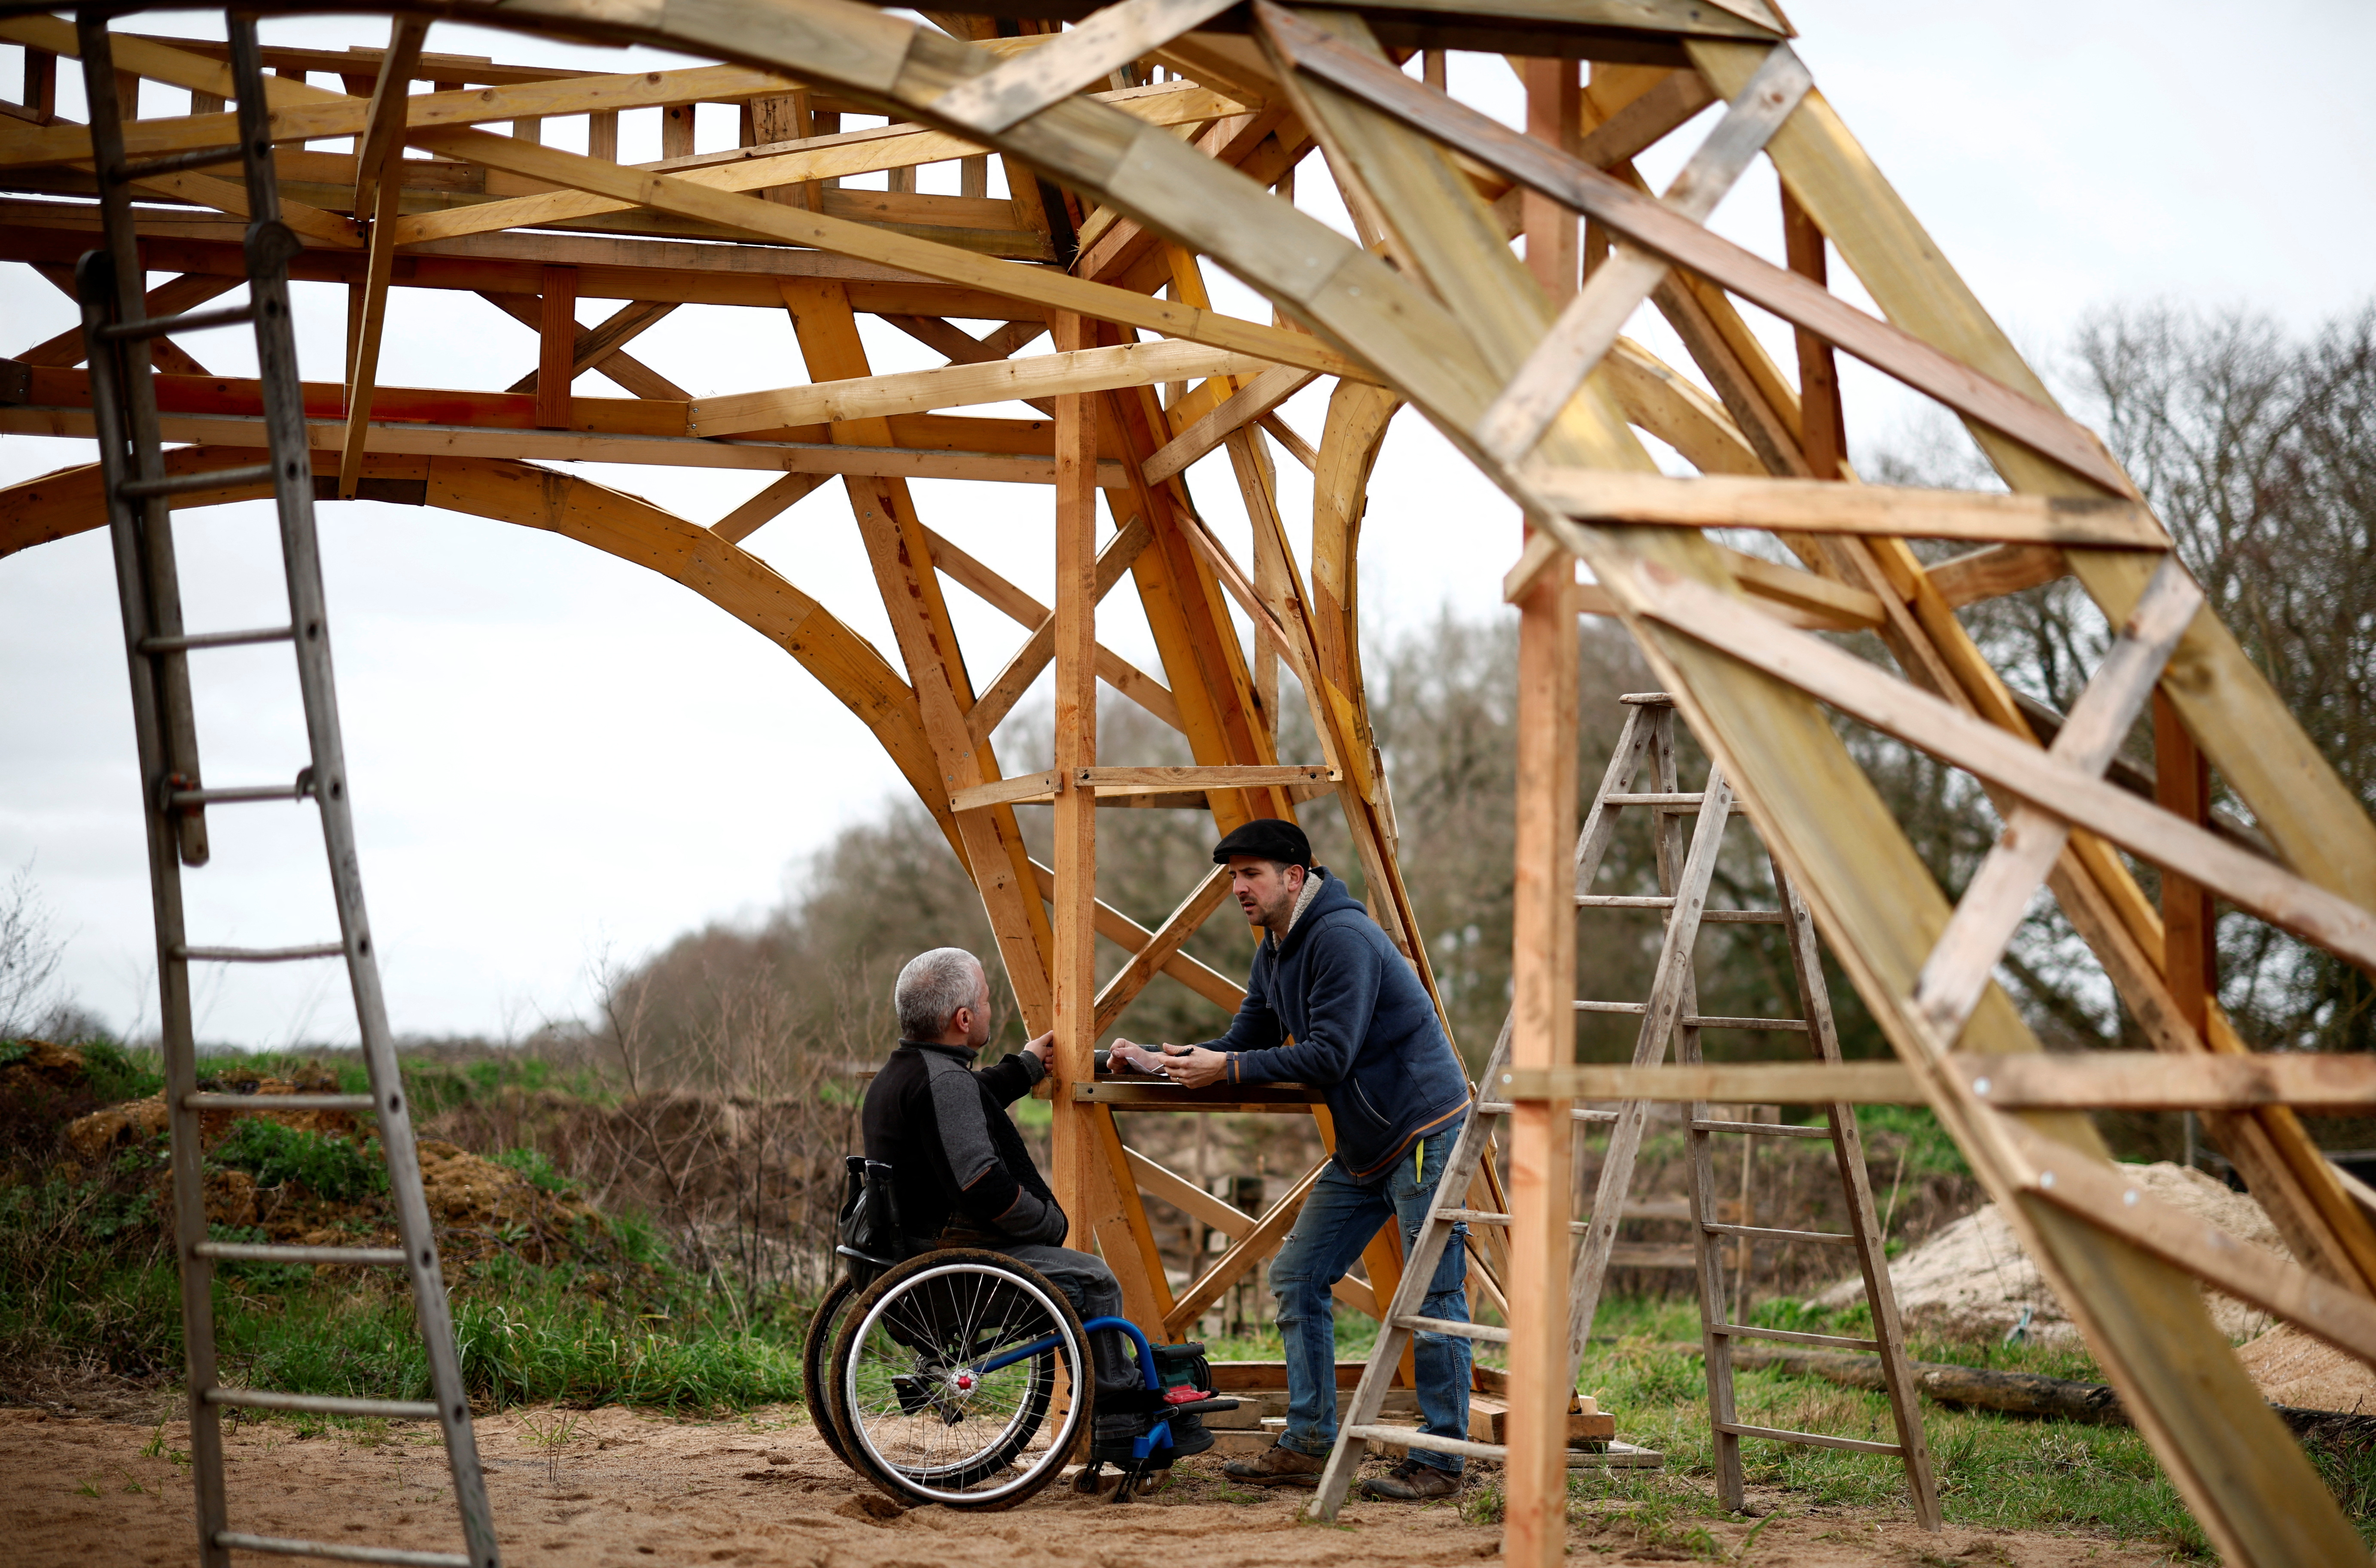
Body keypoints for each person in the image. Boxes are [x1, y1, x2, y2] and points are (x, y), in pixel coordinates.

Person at [1110, 819, 1474, 1500]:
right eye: (1232, 876)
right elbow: (1243, 1038)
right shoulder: (1274, 948)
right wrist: (1166, 1059)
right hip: (1366, 1141)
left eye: (1250, 873)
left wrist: (1232, 1065)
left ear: (1294, 876)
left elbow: (1328, 1053)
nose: (1238, 887)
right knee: (1298, 1275)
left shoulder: (1341, 938)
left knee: (1432, 1294)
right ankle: (1309, 1443)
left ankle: (1441, 1460)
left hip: (1424, 1127)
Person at [859, 947, 1140, 1421]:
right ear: (964, 1018)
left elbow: (969, 1101)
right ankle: (1119, 1409)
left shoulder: (902, 1074)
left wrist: (1027, 1066)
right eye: (988, 1001)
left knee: (1083, 1272)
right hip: (948, 1269)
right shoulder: (945, 1083)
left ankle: (1111, 1398)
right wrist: (1048, 1222)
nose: (993, 1008)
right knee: (1094, 1277)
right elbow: (984, 1185)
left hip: (909, 1255)